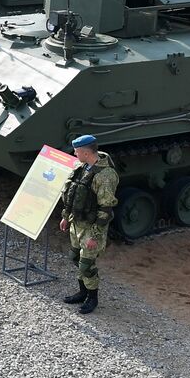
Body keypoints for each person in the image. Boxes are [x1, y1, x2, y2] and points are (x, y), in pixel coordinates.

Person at [58, 135, 119, 315]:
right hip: (76, 223)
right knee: (75, 258)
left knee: (86, 265)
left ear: (85, 152)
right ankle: (82, 292)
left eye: (76, 151)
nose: (74, 153)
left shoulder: (105, 175)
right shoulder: (81, 167)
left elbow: (105, 208)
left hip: (92, 228)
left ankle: (92, 298)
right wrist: (65, 217)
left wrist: (95, 235)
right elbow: (72, 195)